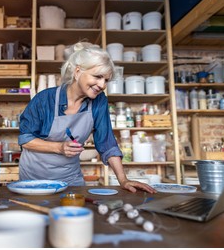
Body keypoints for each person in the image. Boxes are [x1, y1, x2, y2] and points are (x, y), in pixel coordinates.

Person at [18, 42, 156, 193]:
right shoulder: (45, 99)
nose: (102, 85)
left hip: (70, 179)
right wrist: (59, 147)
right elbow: (25, 139)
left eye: (106, 80)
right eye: (98, 77)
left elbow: (107, 142)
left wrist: (123, 180)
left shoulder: (99, 101)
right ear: (77, 72)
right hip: (34, 179)